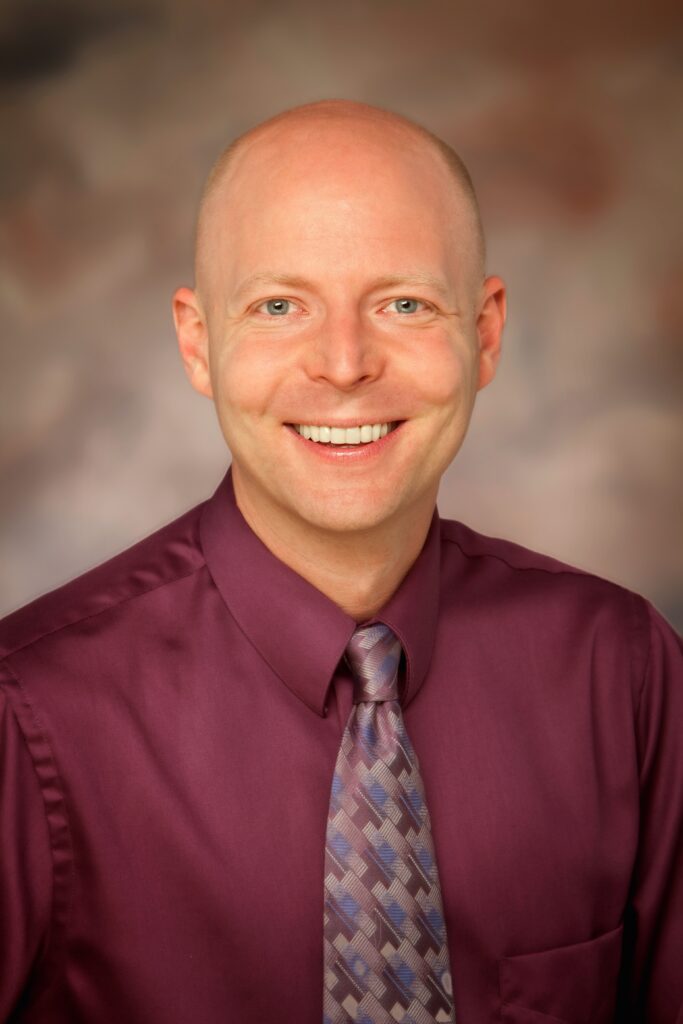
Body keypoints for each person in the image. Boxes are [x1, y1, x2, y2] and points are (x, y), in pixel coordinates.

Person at [0, 99, 681, 1024]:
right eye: (280, 306)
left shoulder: (622, 670)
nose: (346, 363)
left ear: (482, 331)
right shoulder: (27, 718)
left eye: (403, 303)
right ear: (199, 342)